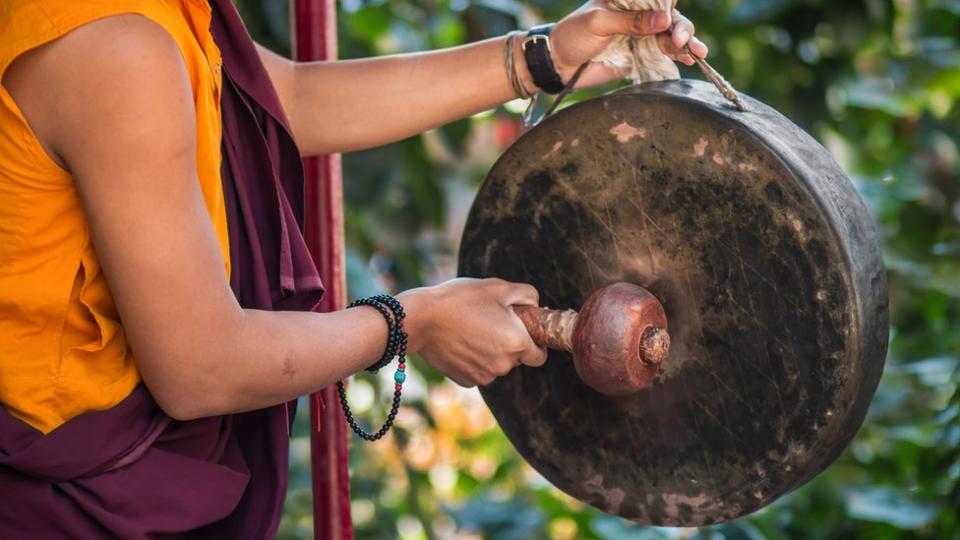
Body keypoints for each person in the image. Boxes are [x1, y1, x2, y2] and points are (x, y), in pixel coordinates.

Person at [0, 0, 707, 536]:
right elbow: (199, 369)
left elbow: (286, 100)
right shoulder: (110, 47)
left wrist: (545, 56)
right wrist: (413, 321)